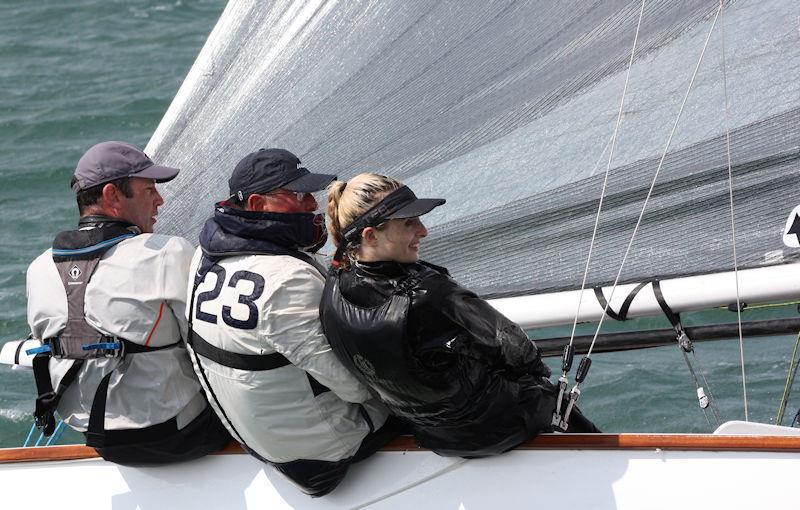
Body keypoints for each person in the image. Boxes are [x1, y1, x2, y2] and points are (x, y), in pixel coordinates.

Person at [320, 173, 600, 458]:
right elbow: (520, 353)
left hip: (434, 438)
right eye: (409, 223)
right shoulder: (429, 295)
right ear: (370, 235)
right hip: (499, 429)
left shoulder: (332, 290)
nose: (423, 230)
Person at [186, 149, 403, 497]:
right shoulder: (287, 278)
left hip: (259, 443)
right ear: (257, 204)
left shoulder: (204, 257)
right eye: (298, 196)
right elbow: (355, 386)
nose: (311, 206)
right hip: (325, 453)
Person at [26, 141, 231, 465]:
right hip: (179, 433)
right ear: (112, 196)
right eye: (149, 189)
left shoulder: (39, 268)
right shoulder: (167, 252)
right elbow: (215, 346)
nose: (160, 200)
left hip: (96, 438)